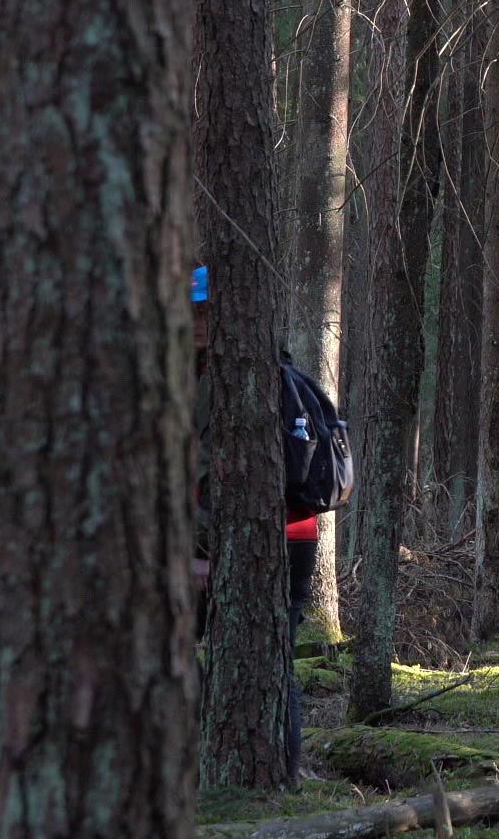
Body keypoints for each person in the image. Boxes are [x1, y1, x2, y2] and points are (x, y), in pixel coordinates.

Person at [192, 265, 321, 782]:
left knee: (270, 658)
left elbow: (214, 475)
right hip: (284, 535)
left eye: (205, 309)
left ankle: (271, 778)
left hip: (268, 540)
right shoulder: (263, 370)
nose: (199, 320)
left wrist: (201, 555)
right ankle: (249, 771)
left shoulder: (233, 378)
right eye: (192, 309)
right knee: (266, 657)